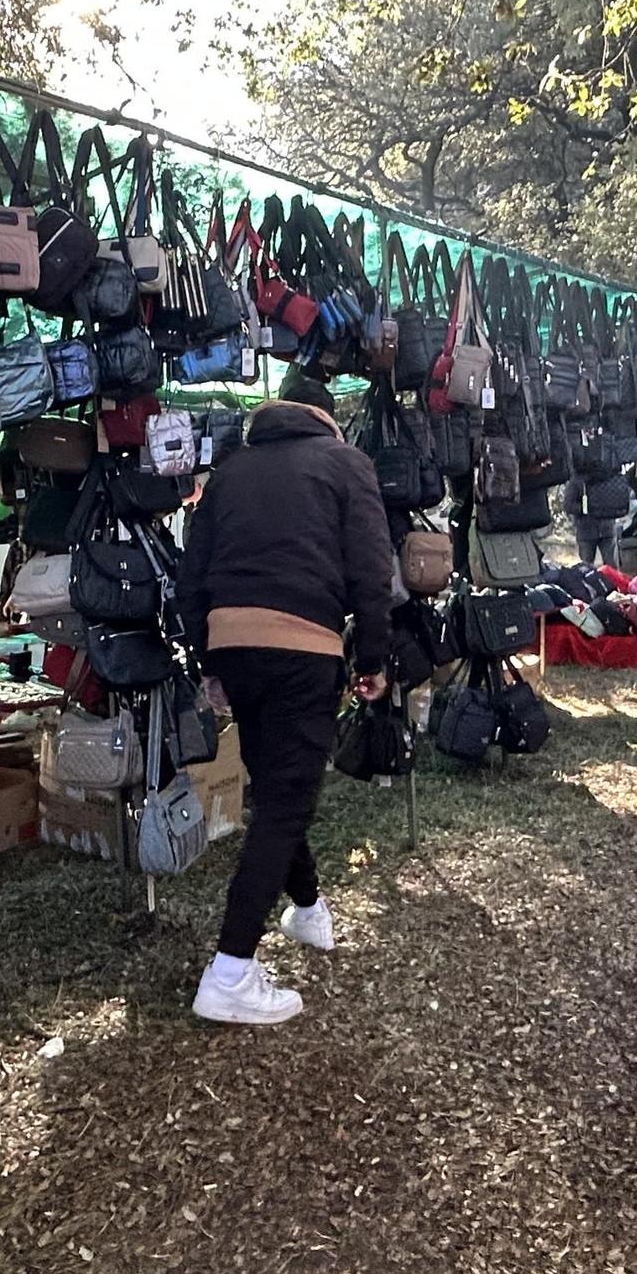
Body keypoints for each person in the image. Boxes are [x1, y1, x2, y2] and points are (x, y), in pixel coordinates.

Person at [178, 372, 394, 1025]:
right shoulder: (346, 464)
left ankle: (308, 911)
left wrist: (207, 657)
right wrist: (375, 657)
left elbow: (193, 574)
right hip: (303, 646)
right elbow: (371, 568)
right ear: (327, 418)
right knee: (288, 800)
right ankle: (231, 971)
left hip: (234, 646)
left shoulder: (231, 471)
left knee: (277, 786)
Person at [562, 472, 621, 570]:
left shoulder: (607, 477)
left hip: (606, 529)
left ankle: (614, 584)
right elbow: (568, 505)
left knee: (612, 567)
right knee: (586, 567)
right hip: (586, 530)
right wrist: (585, 508)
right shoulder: (577, 480)